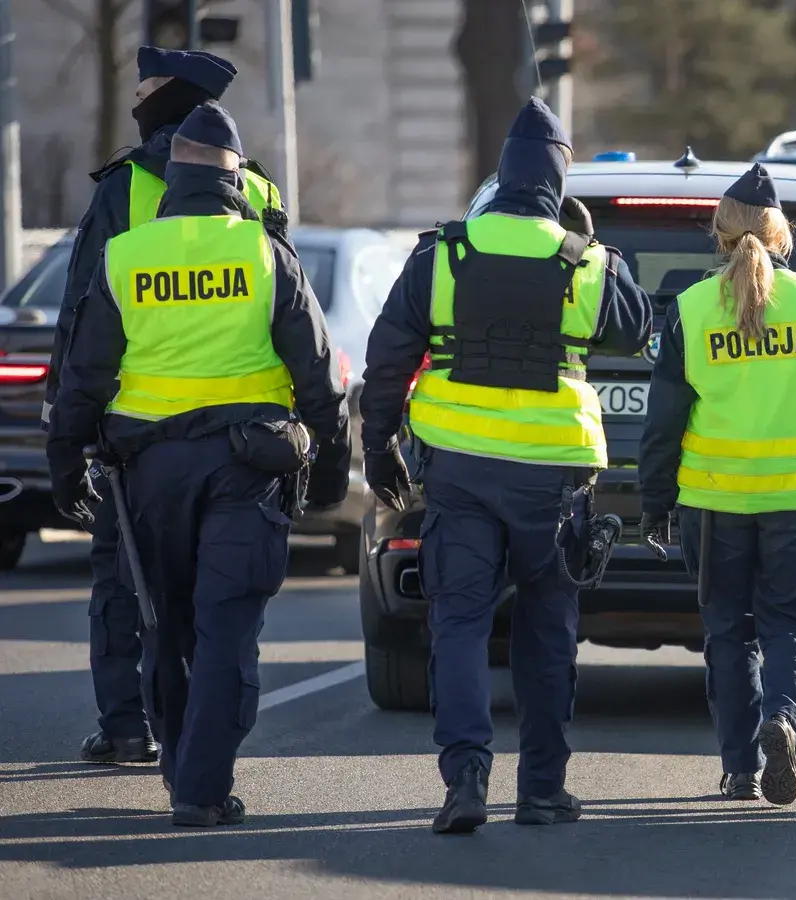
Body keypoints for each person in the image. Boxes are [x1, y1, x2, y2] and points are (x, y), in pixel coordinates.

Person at [47, 102, 349, 827]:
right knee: (227, 628)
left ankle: (184, 771)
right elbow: (318, 377)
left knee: (167, 629)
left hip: (149, 475)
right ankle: (200, 787)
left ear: (172, 178)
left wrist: (65, 470)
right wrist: (334, 472)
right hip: (248, 471)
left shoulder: (128, 257)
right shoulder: (262, 253)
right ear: (235, 179)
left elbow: (82, 379)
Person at [359, 98, 651, 835]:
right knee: (547, 634)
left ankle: (465, 778)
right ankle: (543, 791)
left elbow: (387, 360)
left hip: (458, 473)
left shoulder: (443, 253)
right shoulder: (584, 261)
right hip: (551, 482)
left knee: (457, 625)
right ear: (557, 179)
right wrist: (592, 243)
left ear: (501, 176)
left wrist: (380, 449)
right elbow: (636, 326)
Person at [44, 46, 282, 767]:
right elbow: (284, 304)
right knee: (213, 594)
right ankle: (196, 740)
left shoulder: (122, 189)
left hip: (136, 423)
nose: (137, 97)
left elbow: (84, 308)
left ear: (169, 99)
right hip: (242, 431)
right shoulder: (261, 191)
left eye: (145, 88)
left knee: (125, 578)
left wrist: (68, 415)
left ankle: (126, 723)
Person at [637, 164, 796, 806]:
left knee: (729, 633)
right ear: (781, 233)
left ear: (720, 234)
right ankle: (785, 722)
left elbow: (663, 424)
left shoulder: (689, 311)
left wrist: (654, 505)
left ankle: (740, 767)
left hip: (715, 506)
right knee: (792, 624)